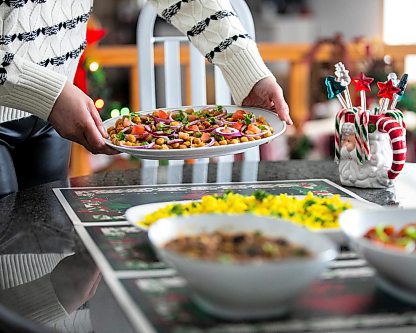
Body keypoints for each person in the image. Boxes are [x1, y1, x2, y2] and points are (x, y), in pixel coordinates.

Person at [0, 0, 292, 198]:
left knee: (49, 254)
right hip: (48, 98)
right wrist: (48, 93)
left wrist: (248, 70)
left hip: (51, 117)